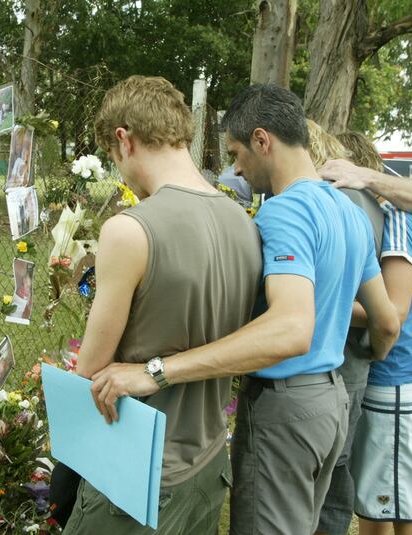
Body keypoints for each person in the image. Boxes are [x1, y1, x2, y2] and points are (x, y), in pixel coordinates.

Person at [87, 83, 402, 534]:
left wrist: (157, 371)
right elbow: (386, 320)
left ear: (262, 140)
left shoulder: (282, 214)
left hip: (285, 403)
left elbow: (292, 329)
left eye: (236, 153)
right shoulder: (349, 211)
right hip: (334, 397)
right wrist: (368, 356)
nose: (235, 167)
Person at [61, 75, 263, 535]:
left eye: (114, 159)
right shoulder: (244, 223)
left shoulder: (129, 229)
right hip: (208, 464)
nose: (121, 173)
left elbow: (91, 368)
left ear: (124, 140)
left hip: (138, 472)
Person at [314, 127, 412, 535]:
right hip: (390, 382)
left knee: (402, 506)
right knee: (378, 502)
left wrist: (312, 305)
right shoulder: (385, 218)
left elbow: (392, 313)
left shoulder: (398, 222)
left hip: (395, 381)